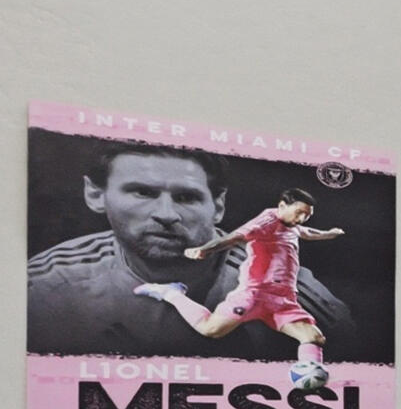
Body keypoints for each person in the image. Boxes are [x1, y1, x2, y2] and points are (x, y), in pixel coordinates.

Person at [26, 144, 352, 359]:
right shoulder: (42, 285)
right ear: (96, 195)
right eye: (142, 192)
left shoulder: (310, 300)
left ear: (218, 205)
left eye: (186, 197)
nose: (166, 214)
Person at [132, 188, 347, 392]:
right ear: (282, 205)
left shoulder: (292, 225)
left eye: (306, 215)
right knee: (210, 330)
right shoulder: (266, 222)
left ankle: (309, 380)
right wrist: (206, 250)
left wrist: (328, 234)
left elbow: (305, 231)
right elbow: (234, 237)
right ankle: (172, 293)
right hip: (254, 295)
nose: (301, 219)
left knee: (313, 337)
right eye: (299, 212)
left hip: (284, 299)